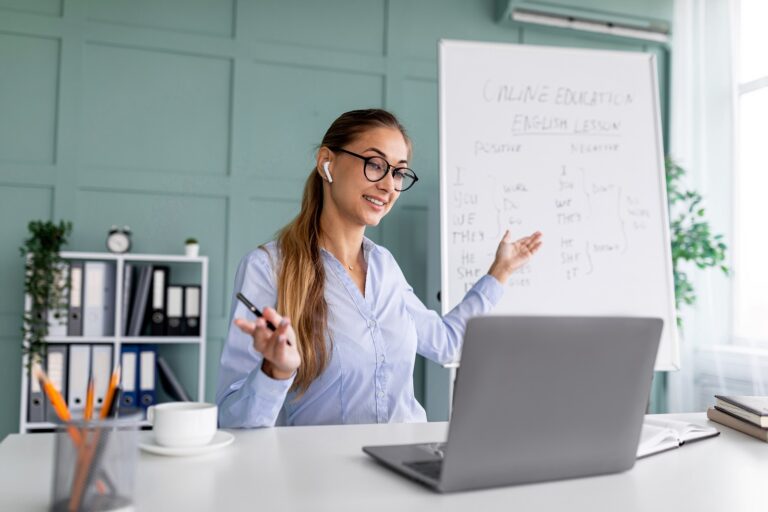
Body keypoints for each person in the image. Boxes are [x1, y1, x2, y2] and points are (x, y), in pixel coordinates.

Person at [216, 108, 543, 427]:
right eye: (375, 165)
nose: (388, 185)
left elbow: (446, 344)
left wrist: (500, 271)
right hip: (322, 475)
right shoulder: (268, 268)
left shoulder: (384, 266)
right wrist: (276, 371)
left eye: (398, 172)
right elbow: (232, 418)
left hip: (406, 463)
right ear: (326, 163)